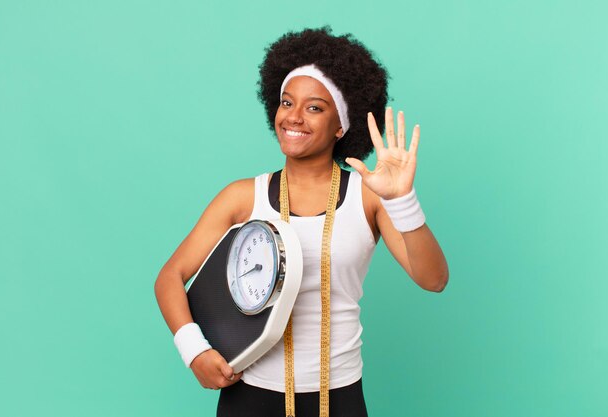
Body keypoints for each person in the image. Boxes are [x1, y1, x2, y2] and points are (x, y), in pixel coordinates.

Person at [154, 27, 449, 417]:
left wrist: (402, 200)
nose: (293, 117)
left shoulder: (369, 195)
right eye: (286, 102)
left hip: (339, 396)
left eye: (314, 107)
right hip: (250, 396)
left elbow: (433, 279)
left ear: (341, 126)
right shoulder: (243, 197)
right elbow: (170, 276)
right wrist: (194, 350)